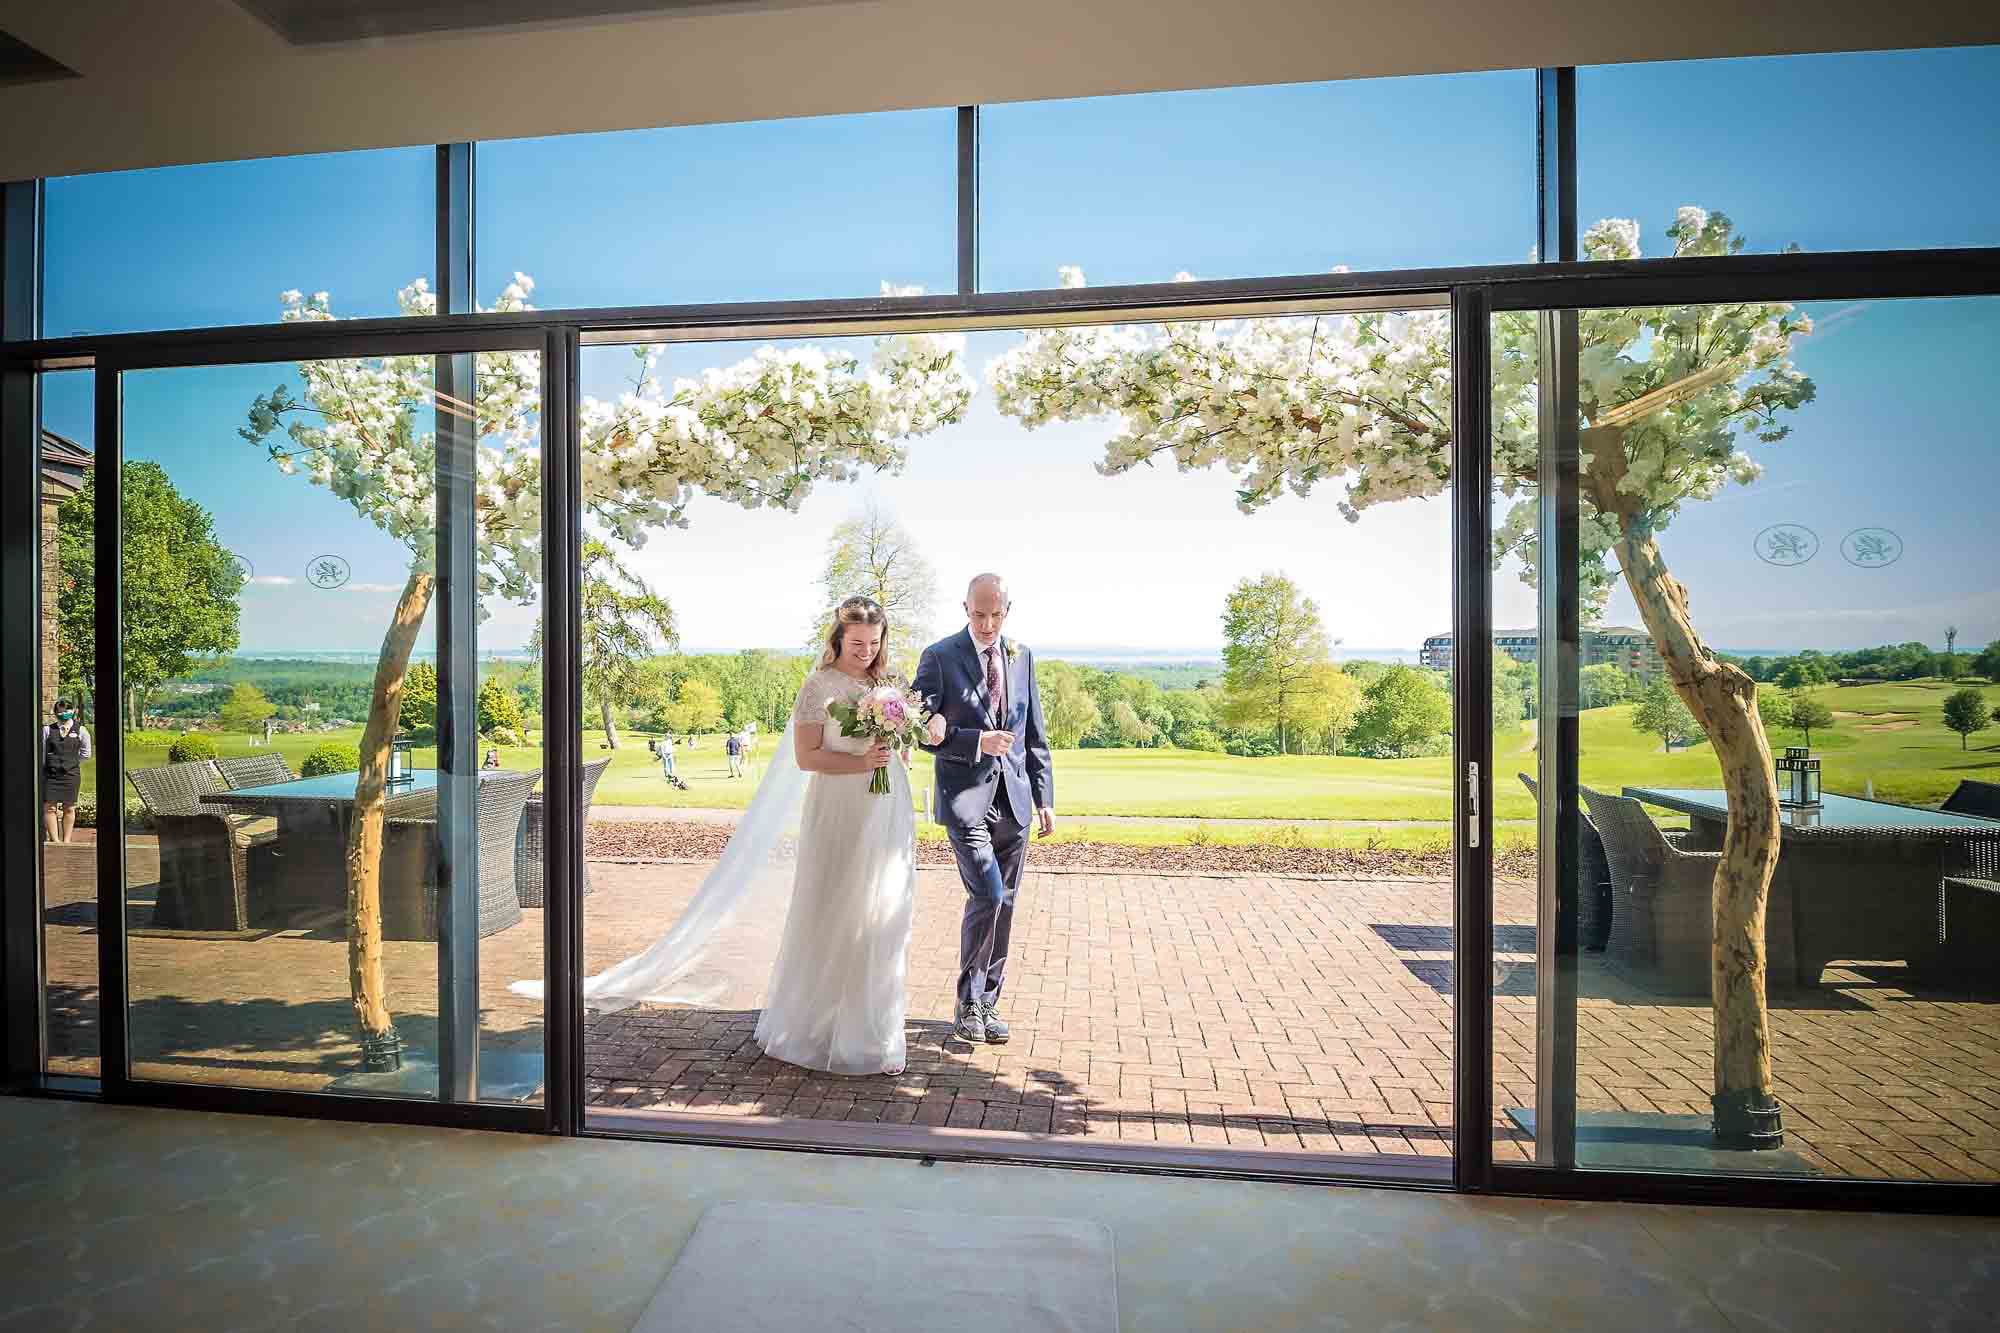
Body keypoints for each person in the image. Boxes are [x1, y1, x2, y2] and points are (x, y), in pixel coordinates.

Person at [513, 595, 914, 1076]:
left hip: (887, 805)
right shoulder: (818, 685)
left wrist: (896, 749)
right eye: (856, 644)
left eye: (873, 643)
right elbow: (807, 759)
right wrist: (859, 762)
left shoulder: (893, 683)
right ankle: (819, 1028)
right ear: (837, 639)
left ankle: (873, 1030)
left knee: (882, 912)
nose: (865, 651)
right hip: (840, 808)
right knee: (834, 907)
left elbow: (900, 744)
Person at [914, 573, 1054, 1046]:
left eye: (996, 614)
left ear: (1007, 609)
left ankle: (988, 1004)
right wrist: (977, 741)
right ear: (965, 608)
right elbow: (919, 730)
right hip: (965, 802)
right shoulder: (938, 657)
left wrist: (1044, 798)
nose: (988, 623)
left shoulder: (1023, 656)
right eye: (979, 614)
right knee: (989, 895)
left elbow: (1034, 732)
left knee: (1007, 904)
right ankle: (967, 1002)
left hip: (1014, 803)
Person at [42, 699, 92, 844]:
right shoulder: (47, 730)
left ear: (73, 711)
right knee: (49, 807)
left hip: (71, 775)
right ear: (56, 713)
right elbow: (42, 753)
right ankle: (55, 840)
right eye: (60, 711)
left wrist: (72, 762)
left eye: (67, 710)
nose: (64, 713)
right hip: (51, 775)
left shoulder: (81, 730)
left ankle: (67, 840)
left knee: (69, 807)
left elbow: (86, 753)